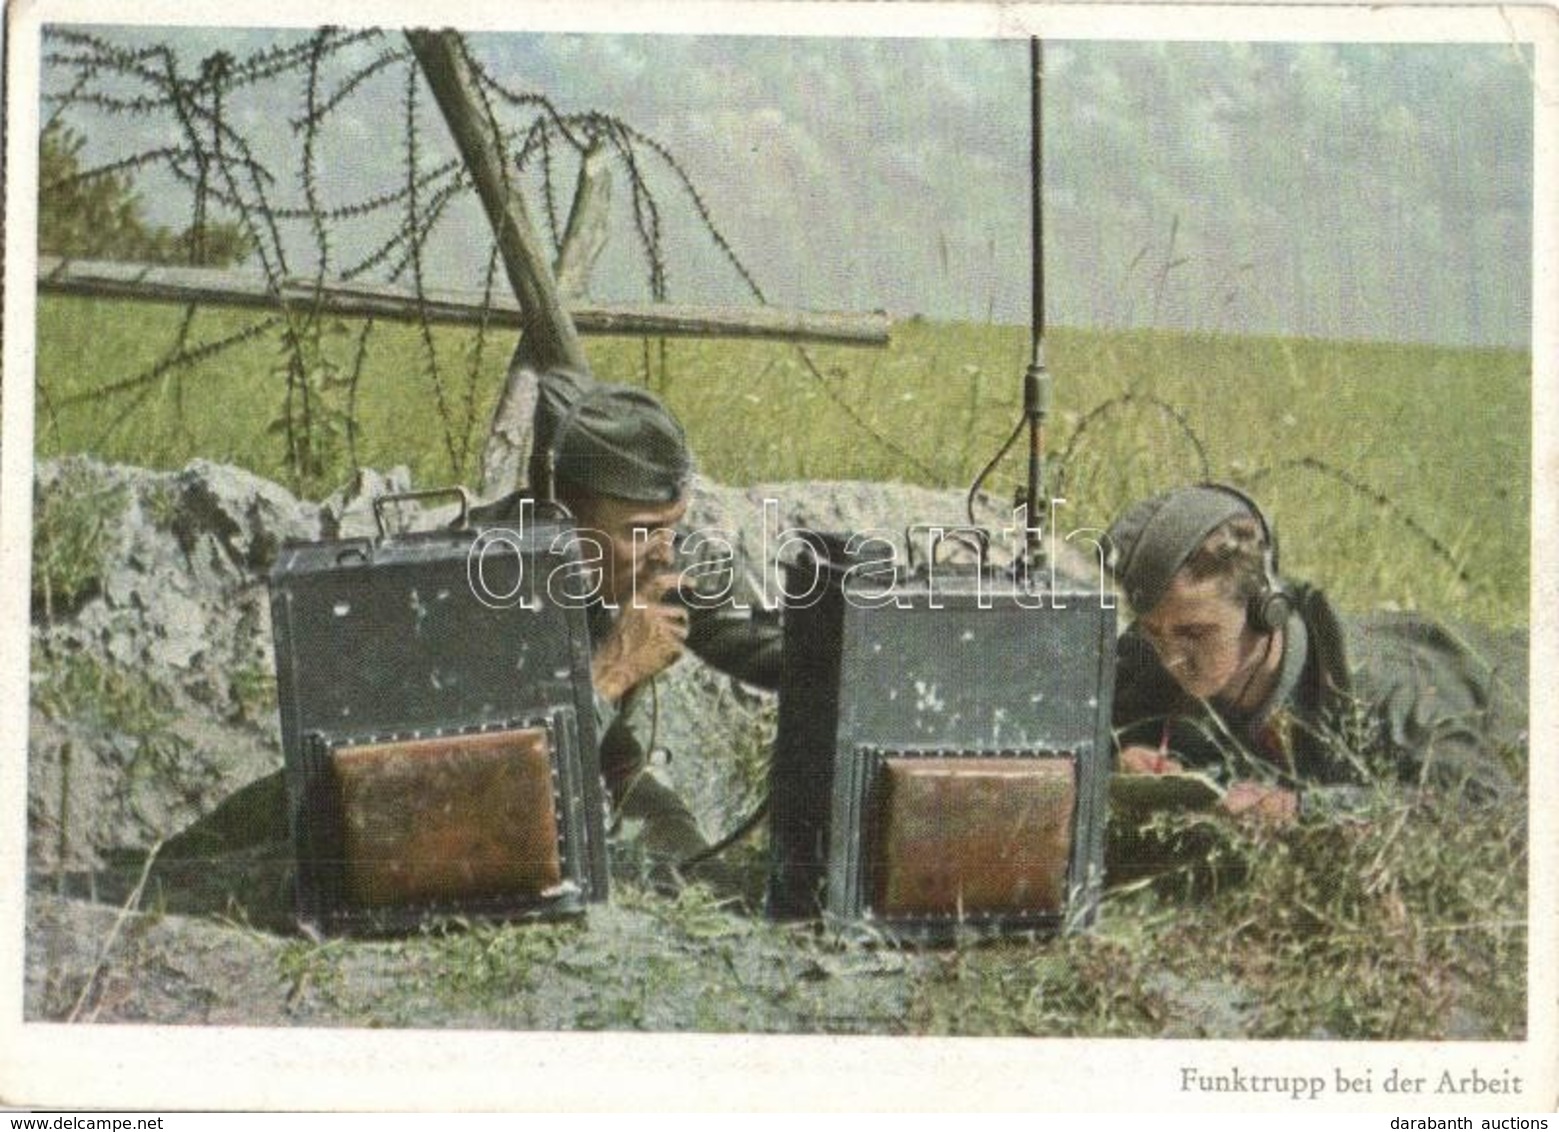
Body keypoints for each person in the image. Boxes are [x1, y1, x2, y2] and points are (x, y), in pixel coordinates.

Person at [471, 365, 781, 878]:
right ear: (559, 518)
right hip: (503, 817)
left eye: (672, 528)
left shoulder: (649, 558)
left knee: (708, 880)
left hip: (609, 778)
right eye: (641, 532)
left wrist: (846, 656)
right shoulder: (482, 581)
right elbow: (495, 789)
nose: (664, 555)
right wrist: (615, 669)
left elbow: (745, 640)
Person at [1105, 483, 1518, 823]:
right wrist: (1125, 759)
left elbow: (1489, 802)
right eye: (1155, 633)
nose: (1173, 657)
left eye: (1196, 634)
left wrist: (1304, 808)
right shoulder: (1155, 652)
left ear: (1266, 610)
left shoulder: (1376, 690)